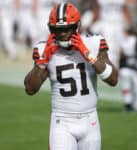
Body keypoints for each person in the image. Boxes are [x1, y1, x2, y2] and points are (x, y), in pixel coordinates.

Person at [24, 3, 118, 150]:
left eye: (66, 29)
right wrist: (42, 62)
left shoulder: (93, 43)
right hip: (62, 121)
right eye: (57, 29)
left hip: (90, 120)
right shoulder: (44, 49)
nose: (62, 34)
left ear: (77, 26)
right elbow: (30, 89)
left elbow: (113, 80)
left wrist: (88, 55)